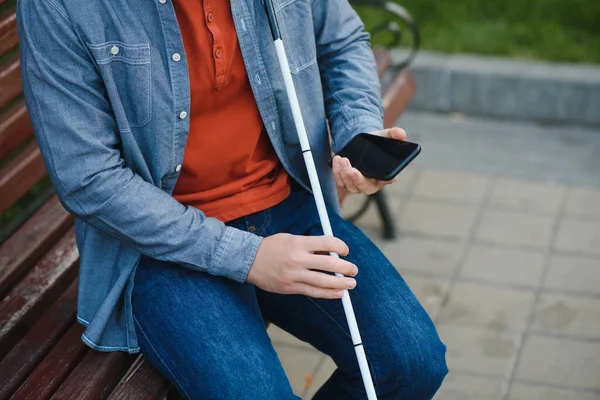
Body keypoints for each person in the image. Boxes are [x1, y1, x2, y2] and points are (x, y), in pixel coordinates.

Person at [17, 0, 447, 398]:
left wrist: (358, 131)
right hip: (160, 244)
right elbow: (87, 178)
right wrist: (249, 257)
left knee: (412, 361)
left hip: (286, 202)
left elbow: (341, 40)